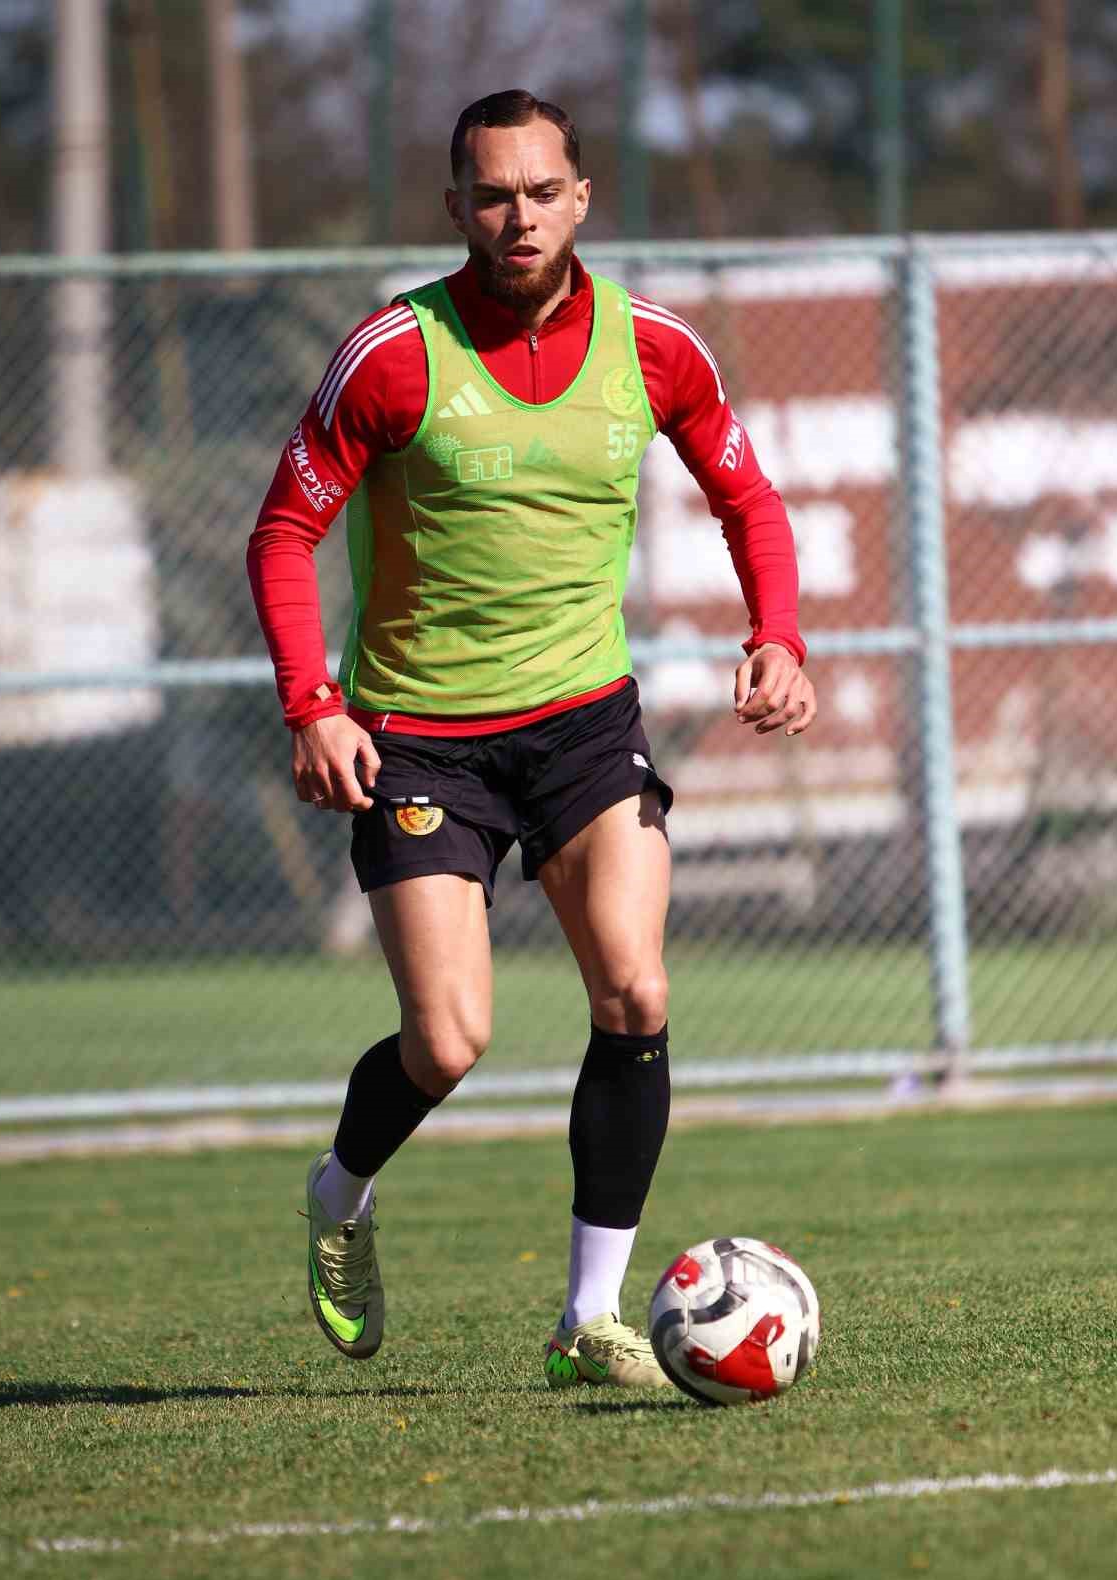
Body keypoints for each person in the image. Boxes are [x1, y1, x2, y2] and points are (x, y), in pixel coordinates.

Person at [247, 89, 816, 1390]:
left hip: (583, 728)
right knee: (449, 1041)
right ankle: (339, 1191)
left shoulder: (655, 347)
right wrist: (312, 705)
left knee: (637, 992)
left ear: (581, 199)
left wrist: (778, 634)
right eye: (494, 195)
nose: (520, 216)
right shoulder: (394, 354)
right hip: (421, 743)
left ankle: (587, 1320)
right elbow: (283, 531)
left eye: (542, 191)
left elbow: (748, 497)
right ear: (457, 206)